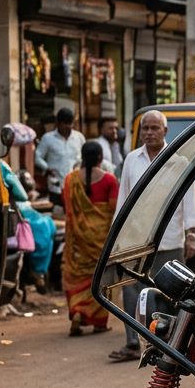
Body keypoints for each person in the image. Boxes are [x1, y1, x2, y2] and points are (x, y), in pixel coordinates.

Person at [110, 111, 195, 362]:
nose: (149, 133)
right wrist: (116, 237)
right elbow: (124, 199)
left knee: (170, 294)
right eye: (145, 128)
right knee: (131, 292)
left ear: (164, 131)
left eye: (154, 128)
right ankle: (133, 343)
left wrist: (192, 234)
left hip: (169, 240)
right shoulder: (131, 160)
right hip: (135, 242)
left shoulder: (179, 162)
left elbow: (189, 201)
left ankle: (169, 344)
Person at [63, 141, 119, 336]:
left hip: (77, 241)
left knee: (77, 277)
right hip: (101, 240)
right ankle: (99, 323)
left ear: (82, 157)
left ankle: (78, 312)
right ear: (100, 158)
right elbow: (114, 208)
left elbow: (67, 208)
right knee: (101, 278)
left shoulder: (70, 180)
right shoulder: (110, 180)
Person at [0, 157, 55, 292]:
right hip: (14, 216)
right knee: (46, 226)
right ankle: (38, 272)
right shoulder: (1, 166)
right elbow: (22, 194)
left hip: (2, 213)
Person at [34, 107, 85, 207]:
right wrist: (47, 168)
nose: (68, 126)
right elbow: (37, 157)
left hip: (76, 184)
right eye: (65, 123)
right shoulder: (48, 138)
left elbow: (84, 158)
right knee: (58, 211)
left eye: (70, 123)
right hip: (56, 185)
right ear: (57, 123)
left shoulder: (79, 138)